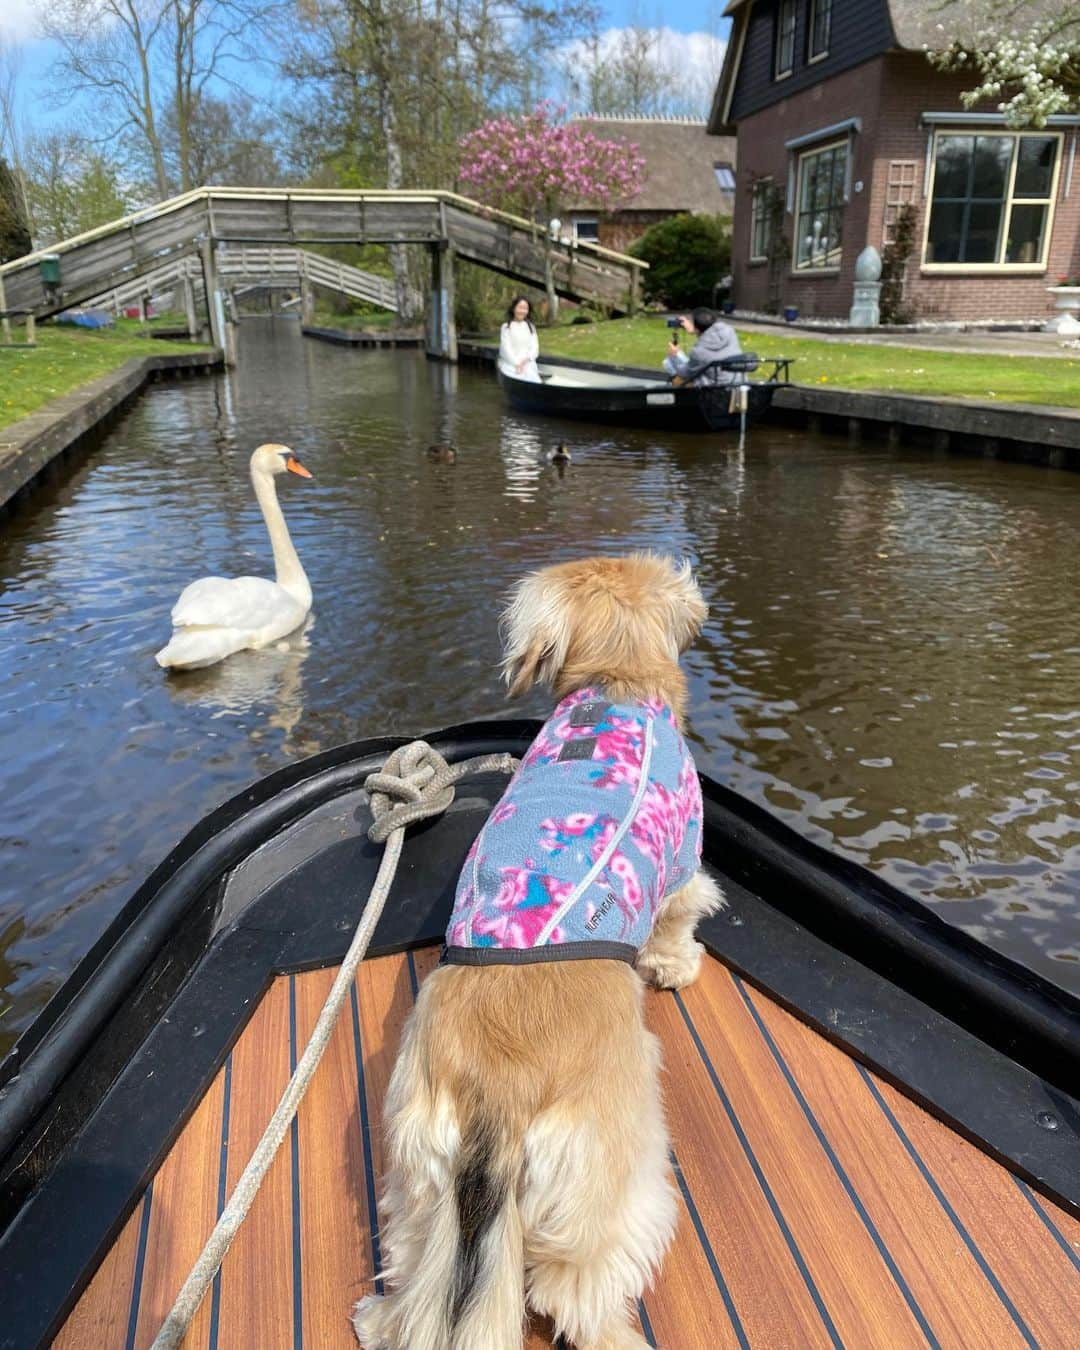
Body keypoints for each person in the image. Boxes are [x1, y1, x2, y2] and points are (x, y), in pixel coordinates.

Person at [663, 307, 742, 387]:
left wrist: (673, 356)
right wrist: (695, 330)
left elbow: (684, 373)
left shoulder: (698, 352)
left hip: (712, 390)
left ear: (697, 328)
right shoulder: (729, 331)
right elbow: (711, 336)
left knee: (668, 364)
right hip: (736, 384)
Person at [498, 295, 541, 382]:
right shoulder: (506, 327)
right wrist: (517, 364)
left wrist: (526, 361)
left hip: (527, 363)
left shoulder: (531, 327)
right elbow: (506, 349)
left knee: (533, 380)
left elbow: (535, 348)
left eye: (525, 308)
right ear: (514, 308)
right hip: (511, 364)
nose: (522, 311)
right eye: (520, 307)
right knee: (517, 377)